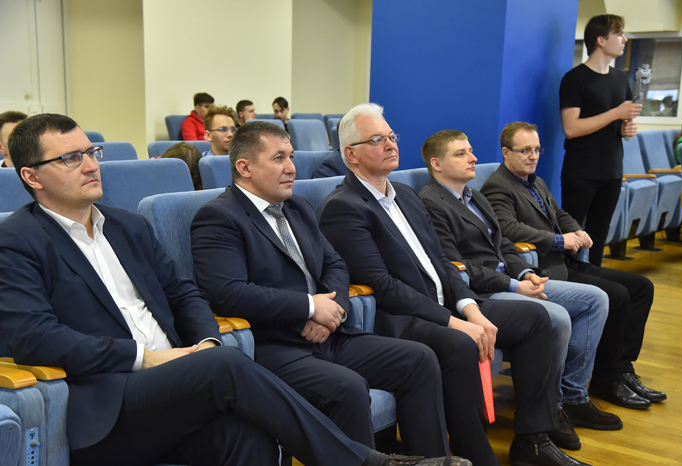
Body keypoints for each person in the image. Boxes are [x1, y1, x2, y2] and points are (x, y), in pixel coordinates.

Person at [0, 113, 465, 466]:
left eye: (90, 152)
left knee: (250, 437)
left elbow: (184, 294)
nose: (89, 165)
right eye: (70, 158)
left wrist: (205, 342)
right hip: (110, 402)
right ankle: (368, 462)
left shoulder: (126, 226)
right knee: (226, 364)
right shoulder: (17, 240)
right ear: (31, 176)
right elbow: (34, 337)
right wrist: (149, 358)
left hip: (180, 379)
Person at [320, 104, 590, 466]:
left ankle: (533, 441)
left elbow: (443, 262)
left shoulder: (406, 195)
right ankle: (473, 454)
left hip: (446, 306)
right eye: (376, 140)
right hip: (401, 318)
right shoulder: (344, 206)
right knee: (461, 342)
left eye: (391, 136)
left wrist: (470, 308)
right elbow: (383, 286)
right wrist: (454, 321)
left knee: (536, 319)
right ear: (351, 154)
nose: (390, 144)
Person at [190, 120, 450, 457]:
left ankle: (431, 462)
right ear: (245, 167)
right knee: (347, 388)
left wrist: (332, 311)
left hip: (329, 334)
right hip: (275, 347)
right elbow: (229, 293)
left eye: (291, 157)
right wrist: (309, 308)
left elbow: (336, 264)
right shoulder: (218, 217)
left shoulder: (296, 207)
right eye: (279, 158)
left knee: (419, 359)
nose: (291, 168)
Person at [418, 130, 621, 449]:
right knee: (556, 317)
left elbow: (504, 245)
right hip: (481, 292)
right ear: (437, 164)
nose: (473, 158)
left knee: (596, 298)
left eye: (471, 150)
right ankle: (552, 408)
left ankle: (572, 396)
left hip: (512, 278)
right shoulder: (430, 202)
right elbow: (456, 267)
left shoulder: (474, 195)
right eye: (461, 153)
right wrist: (515, 285)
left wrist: (527, 273)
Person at [481, 121, 665, 413]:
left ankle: (622, 368)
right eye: (525, 150)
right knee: (617, 295)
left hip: (568, 260)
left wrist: (577, 231)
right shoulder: (497, 186)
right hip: (547, 267)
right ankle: (606, 378)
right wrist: (559, 240)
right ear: (506, 152)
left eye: (537, 149)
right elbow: (509, 228)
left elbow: (559, 213)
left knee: (642, 287)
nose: (533, 156)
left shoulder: (534, 181)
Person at [559, 14, 640, 267]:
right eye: (619, 34)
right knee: (573, 233)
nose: (624, 40)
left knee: (600, 233)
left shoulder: (621, 79)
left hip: (612, 170)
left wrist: (626, 129)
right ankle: (569, 280)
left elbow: (619, 126)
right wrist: (616, 113)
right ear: (601, 40)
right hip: (581, 171)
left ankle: (596, 281)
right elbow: (571, 128)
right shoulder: (575, 78)